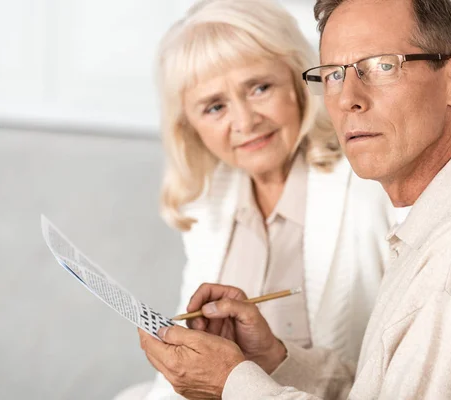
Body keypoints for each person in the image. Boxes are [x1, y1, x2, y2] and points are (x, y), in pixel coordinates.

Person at [138, 0, 451, 398]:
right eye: (334, 75)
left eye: (383, 66)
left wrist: (232, 383)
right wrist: (276, 358)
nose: (349, 98)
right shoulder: (450, 212)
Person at [119, 0, 394, 398]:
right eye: (215, 107)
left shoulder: (367, 190)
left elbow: (387, 380)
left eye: (260, 88)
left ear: (299, 83)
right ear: (190, 127)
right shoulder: (209, 199)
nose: (245, 123)